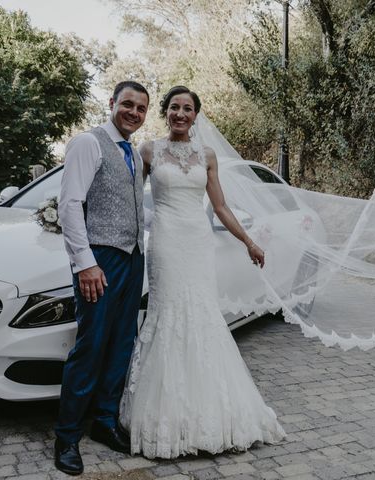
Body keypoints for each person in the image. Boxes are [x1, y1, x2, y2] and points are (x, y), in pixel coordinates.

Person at [119, 86, 285, 459]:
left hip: (197, 244)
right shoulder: (149, 151)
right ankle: (164, 417)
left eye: (187, 108)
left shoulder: (207, 155)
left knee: (201, 315)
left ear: (196, 115)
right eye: (174, 107)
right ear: (165, 112)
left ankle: (214, 412)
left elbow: (221, 206)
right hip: (164, 242)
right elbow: (128, 197)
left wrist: (249, 241)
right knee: (167, 316)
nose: (180, 113)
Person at [55, 81, 150, 475]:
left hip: (133, 257)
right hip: (101, 258)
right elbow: (70, 203)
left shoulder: (137, 154)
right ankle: (67, 436)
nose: (133, 112)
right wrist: (85, 262)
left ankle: (105, 421)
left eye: (141, 108)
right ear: (111, 103)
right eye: (127, 104)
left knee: (122, 342)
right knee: (91, 345)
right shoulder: (87, 143)